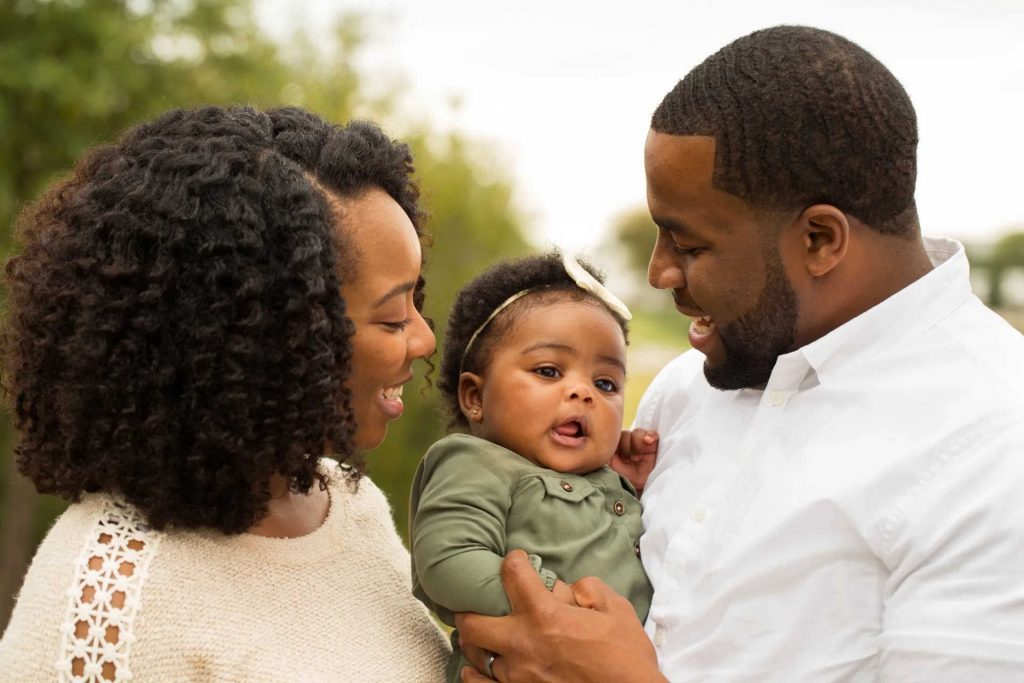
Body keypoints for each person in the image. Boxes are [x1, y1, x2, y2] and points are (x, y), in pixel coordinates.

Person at [456, 25, 1024, 682]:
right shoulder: (686, 388)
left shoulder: (996, 451)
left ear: (819, 239)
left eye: (690, 245)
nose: (659, 272)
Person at [0, 106, 450, 680]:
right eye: (392, 318)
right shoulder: (106, 606)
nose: (425, 338)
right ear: (268, 335)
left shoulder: (351, 508)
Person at [408, 252, 656, 681]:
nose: (583, 392)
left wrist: (628, 489)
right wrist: (557, 603)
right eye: (548, 370)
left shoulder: (604, 481)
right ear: (474, 398)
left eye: (605, 383)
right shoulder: (474, 463)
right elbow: (447, 560)